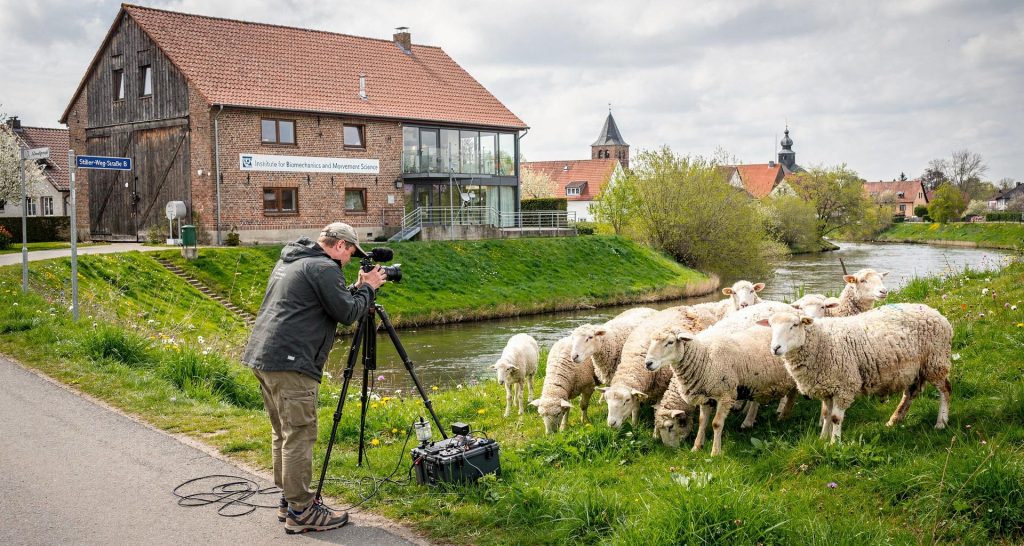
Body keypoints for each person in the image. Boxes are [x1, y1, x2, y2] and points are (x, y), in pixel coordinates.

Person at [242, 222, 386, 534]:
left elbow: (323, 304)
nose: (348, 260)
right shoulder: (324, 268)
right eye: (349, 253)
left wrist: (356, 289)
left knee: (284, 432)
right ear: (339, 245)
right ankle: (302, 511)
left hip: (264, 357)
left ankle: (289, 500)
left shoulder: (292, 260)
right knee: (300, 433)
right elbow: (348, 314)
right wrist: (369, 288)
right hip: (292, 363)